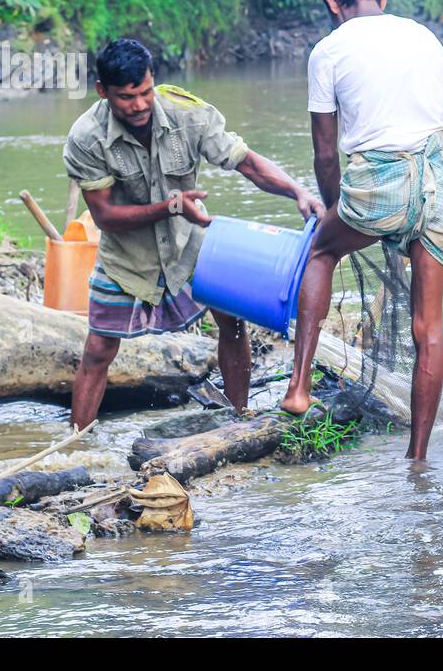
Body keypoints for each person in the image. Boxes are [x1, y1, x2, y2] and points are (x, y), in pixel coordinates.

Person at [63, 38, 322, 430]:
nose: (139, 105)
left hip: (192, 245)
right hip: (125, 259)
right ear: (102, 91)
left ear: (154, 81)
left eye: (146, 92)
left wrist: (297, 191)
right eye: (126, 97)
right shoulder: (87, 136)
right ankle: (76, 442)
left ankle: (236, 422)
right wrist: (170, 206)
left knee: (232, 324)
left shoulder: (189, 114)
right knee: (98, 350)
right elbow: (106, 216)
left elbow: (247, 164)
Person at [279, 0, 443, 461]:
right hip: (436, 182)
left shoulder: (328, 51)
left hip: (379, 181)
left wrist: (337, 207)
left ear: (332, 3)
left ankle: (297, 387)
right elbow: (431, 116)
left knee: (320, 253)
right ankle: (417, 459)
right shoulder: (424, 36)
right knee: (429, 328)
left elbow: (323, 150)